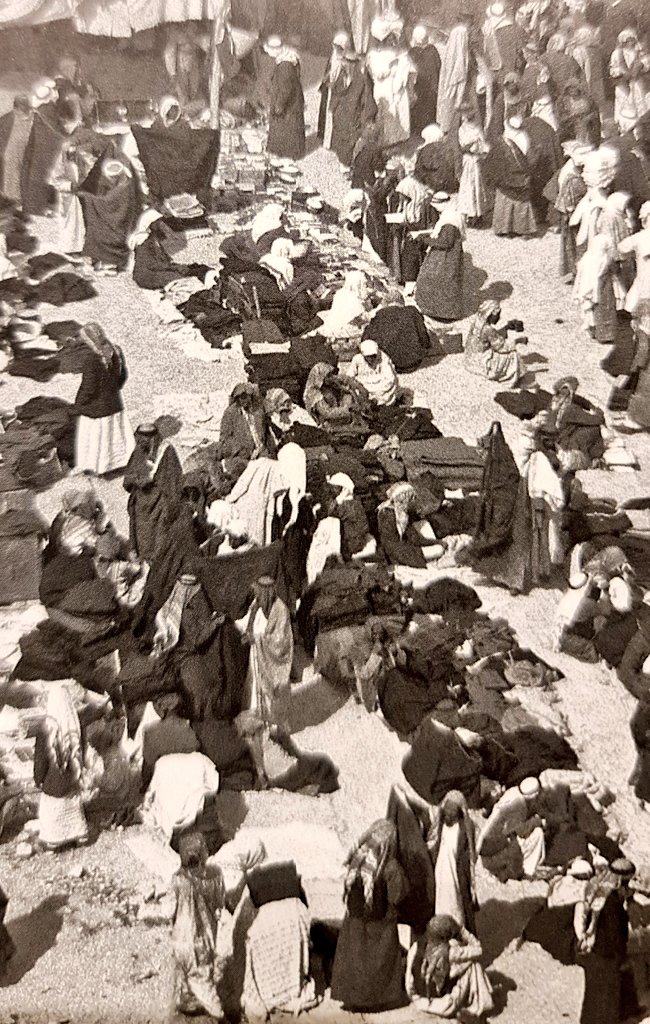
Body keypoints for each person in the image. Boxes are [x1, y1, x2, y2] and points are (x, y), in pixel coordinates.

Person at [331, 819, 407, 1012]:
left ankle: (353, 999)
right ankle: (376, 1000)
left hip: (355, 920)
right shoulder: (390, 866)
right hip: (381, 923)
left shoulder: (358, 859)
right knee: (379, 960)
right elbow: (397, 895)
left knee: (356, 958)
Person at [171, 831, 225, 1018]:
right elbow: (219, 903)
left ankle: (184, 1003)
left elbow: (171, 908)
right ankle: (218, 1014)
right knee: (203, 979)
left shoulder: (177, 879)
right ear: (204, 853)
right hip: (202, 938)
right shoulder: (215, 876)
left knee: (182, 974)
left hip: (179, 938)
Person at [575, 858, 635, 1024]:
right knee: (607, 999)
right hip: (605, 954)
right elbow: (614, 932)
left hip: (594, 951)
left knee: (593, 996)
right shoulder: (612, 901)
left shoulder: (598, 889)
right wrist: (620, 955)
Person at [73, 322, 134, 478]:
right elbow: (122, 377)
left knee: (96, 439)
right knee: (114, 436)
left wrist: (79, 404)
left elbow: (89, 387)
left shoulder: (92, 360)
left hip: (96, 408)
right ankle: (118, 464)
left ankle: (98, 468)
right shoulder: (116, 351)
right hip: (114, 403)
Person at [33, 683, 89, 852]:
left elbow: (41, 761)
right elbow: (82, 752)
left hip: (54, 785)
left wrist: (38, 779)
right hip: (73, 781)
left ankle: (54, 839)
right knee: (74, 806)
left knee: (49, 806)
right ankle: (79, 834)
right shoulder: (77, 725)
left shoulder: (46, 729)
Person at [405, 914, 494, 1019]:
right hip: (445, 1004)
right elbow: (478, 949)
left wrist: (416, 997)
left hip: (421, 1001)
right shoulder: (451, 952)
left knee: (462, 966)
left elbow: (409, 984)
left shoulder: (415, 947)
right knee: (473, 965)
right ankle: (479, 1007)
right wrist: (461, 930)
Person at [123, 422, 184, 564]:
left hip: (160, 505)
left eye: (144, 439)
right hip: (141, 506)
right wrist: (138, 480)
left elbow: (174, 482)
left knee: (160, 544)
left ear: (152, 438)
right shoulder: (138, 451)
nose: (140, 442)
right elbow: (127, 481)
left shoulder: (166, 452)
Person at [239, 577, 293, 730]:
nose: (257, 594)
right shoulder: (256, 605)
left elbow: (280, 640)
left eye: (259, 592)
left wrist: (256, 638)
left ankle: (277, 726)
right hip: (256, 657)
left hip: (272, 662)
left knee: (274, 693)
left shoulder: (280, 610)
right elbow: (246, 622)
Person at [477, 776, 546, 881]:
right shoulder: (519, 806)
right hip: (494, 854)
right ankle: (527, 871)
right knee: (538, 833)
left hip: (488, 850)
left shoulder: (513, 792)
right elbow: (521, 831)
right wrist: (537, 821)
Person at [428, 790, 478, 932]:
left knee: (457, 908)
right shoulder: (440, 823)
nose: (449, 814)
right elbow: (432, 842)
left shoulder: (465, 829)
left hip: (456, 878)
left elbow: (469, 855)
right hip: (440, 874)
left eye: (452, 812)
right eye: (447, 811)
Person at [415, 192, 466, 322]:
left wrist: (425, 240)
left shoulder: (449, 221)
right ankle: (443, 311)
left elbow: (445, 242)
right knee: (446, 281)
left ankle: (440, 312)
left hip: (445, 256)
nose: (436, 208)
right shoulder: (453, 214)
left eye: (437, 205)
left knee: (436, 279)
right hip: (451, 254)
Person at [366, 16, 416, 147]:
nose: (392, 42)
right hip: (384, 88)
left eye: (393, 39)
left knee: (398, 114)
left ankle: (397, 140)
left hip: (397, 88)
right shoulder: (374, 56)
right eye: (389, 39)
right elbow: (377, 74)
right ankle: (385, 141)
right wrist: (390, 65)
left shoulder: (401, 55)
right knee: (387, 113)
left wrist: (402, 70)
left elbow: (410, 70)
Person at [487, 114, 537, 237]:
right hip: (521, 174)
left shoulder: (503, 141)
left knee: (505, 198)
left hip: (509, 176)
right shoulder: (524, 137)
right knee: (519, 201)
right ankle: (522, 228)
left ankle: (505, 227)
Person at [328, 49, 377, 172]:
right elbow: (335, 93)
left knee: (349, 140)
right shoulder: (343, 75)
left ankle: (346, 164)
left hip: (351, 115)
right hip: (343, 114)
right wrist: (333, 108)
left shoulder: (361, 79)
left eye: (347, 62)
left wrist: (367, 118)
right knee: (342, 138)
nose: (345, 64)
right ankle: (344, 163)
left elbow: (367, 100)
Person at [377, 482, 445, 567]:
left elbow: (415, 538)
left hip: (404, 548)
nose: (414, 500)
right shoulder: (387, 514)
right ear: (405, 499)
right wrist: (414, 554)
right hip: (397, 552)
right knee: (438, 550)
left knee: (438, 547)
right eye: (412, 498)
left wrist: (436, 542)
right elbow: (391, 546)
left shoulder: (403, 512)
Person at [362, 289, 432, 370]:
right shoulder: (412, 311)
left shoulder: (380, 315)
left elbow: (365, 339)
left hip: (387, 362)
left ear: (385, 303)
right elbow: (424, 336)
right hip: (414, 361)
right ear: (402, 302)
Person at [463, 298, 524, 386]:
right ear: (490, 315)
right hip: (480, 362)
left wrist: (506, 328)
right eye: (497, 315)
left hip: (470, 358)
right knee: (514, 355)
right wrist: (518, 341)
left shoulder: (477, 323)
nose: (499, 317)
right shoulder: (488, 329)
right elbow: (501, 347)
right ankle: (513, 379)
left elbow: (490, 338)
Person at [552, 140, 590, 281]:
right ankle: (576, 270)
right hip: (572, 209)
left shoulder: (572, 168)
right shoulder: (571, 172)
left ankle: (575, 269)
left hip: (571, 208)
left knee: (573, 241)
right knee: (576, 240)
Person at [264, 37, 305, 161]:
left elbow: (285, 89)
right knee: (289, 128)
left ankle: (287, 155)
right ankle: (288, 153)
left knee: (285, 129)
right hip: (293, 101)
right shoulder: (288, 59)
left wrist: (279, 106)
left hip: (288, 104)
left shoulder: (285, 65)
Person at [574, 234, 618, 343]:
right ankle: (605, 335)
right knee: (604, 309)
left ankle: (592, 330)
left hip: (586, 286)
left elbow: (580, 273)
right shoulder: (605, 259)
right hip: (603, 288)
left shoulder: (587, 257)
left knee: (590, 310)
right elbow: (614, 270)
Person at [218, 383, 270, 470]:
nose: (243, 400)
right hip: (240, 457)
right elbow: (224, 440)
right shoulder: (230, 413)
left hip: (261, 454)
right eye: (241, 397)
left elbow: (265, 434)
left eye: (246, 397)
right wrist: (242, 449)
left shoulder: (258, 410)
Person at [437, 11, 473, 133]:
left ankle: (447, 127)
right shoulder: (462, 32)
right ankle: (451, 128)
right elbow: (461, 53)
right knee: (455, 98)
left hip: (451, 67)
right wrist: (461, 71)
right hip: (457, 69)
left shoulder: (455, 31)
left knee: (449, 98)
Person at [457, 103, 491, 223]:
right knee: (468, 185)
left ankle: (478, 213)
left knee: (477, 185)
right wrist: (472, 145)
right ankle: (470, 213)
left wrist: (478, 147)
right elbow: (463, 147)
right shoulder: (462, 129)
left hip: (476, 161)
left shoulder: (477, 129)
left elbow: (484, 146)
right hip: (468, 160)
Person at [318, 31, 352, 151]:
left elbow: (348, 79)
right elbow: (328, 71)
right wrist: (326, 80)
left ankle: (333, 141)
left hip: (338, 92)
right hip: (329, 90)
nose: (337, 50)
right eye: (336, 47)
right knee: (327, 114)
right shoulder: (332, 58)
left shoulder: (346, 61)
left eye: (340, 48)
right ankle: (325, 138)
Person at [610, 29, 649, 134]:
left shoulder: (638, 51)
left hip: (637, 83)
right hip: (623, 84)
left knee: (639, 104)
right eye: (628, 40)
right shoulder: (617, 53)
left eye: (632, 39)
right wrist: (620, 72)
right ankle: (624, 128)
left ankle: (640, 129)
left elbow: (646, 63)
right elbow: (612, 69)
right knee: (623, 104)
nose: (630, 42)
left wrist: (642, 66)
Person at [0, 95, 34, 207]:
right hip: (9, 156)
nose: (25, 114)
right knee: (10, 180)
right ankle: (12, 201)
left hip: (25, 155)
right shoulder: (6, 120)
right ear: (15, 109)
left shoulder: (34, 119)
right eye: (21, 111)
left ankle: (19, 202)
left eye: (27, 110)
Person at [618, 200, 650, 317]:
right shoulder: (641, 237)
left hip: (644, 278)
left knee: (636, 302)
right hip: (643, 277)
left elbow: (622, 247)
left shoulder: (640, 237)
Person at [346, 339, 399, 407]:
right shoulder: (357, 359)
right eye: (368, 357)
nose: (371, 359)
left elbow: (390, 379)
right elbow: (349, 376)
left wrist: (375, 386)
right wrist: (359, 385)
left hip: (380, 387)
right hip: (364, 386)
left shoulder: (383, 358)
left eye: (373, 356)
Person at [409, 25, 441, 136]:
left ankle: (419, 130)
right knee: (430, 107)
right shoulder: (432, 50)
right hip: (432, 86)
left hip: (419, 86)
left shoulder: (412, 53)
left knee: (419, 106)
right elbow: (439, 66)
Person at [414, 123, 458, 193]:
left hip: (434, 184)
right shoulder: (448, 148)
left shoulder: (426, 150)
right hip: (448, 183)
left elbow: (421, 170)